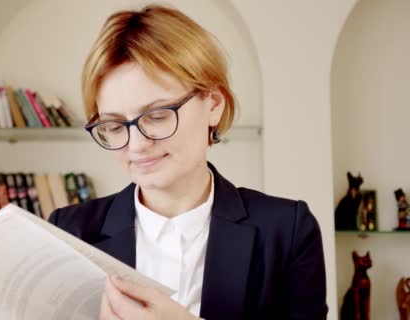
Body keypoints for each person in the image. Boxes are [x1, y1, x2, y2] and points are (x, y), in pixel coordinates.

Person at [48, 4, 327, 320]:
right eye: (113, 126)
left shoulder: (287, 231)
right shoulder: (68, 233)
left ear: (213, 104)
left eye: (156, 115)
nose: (137, 145)